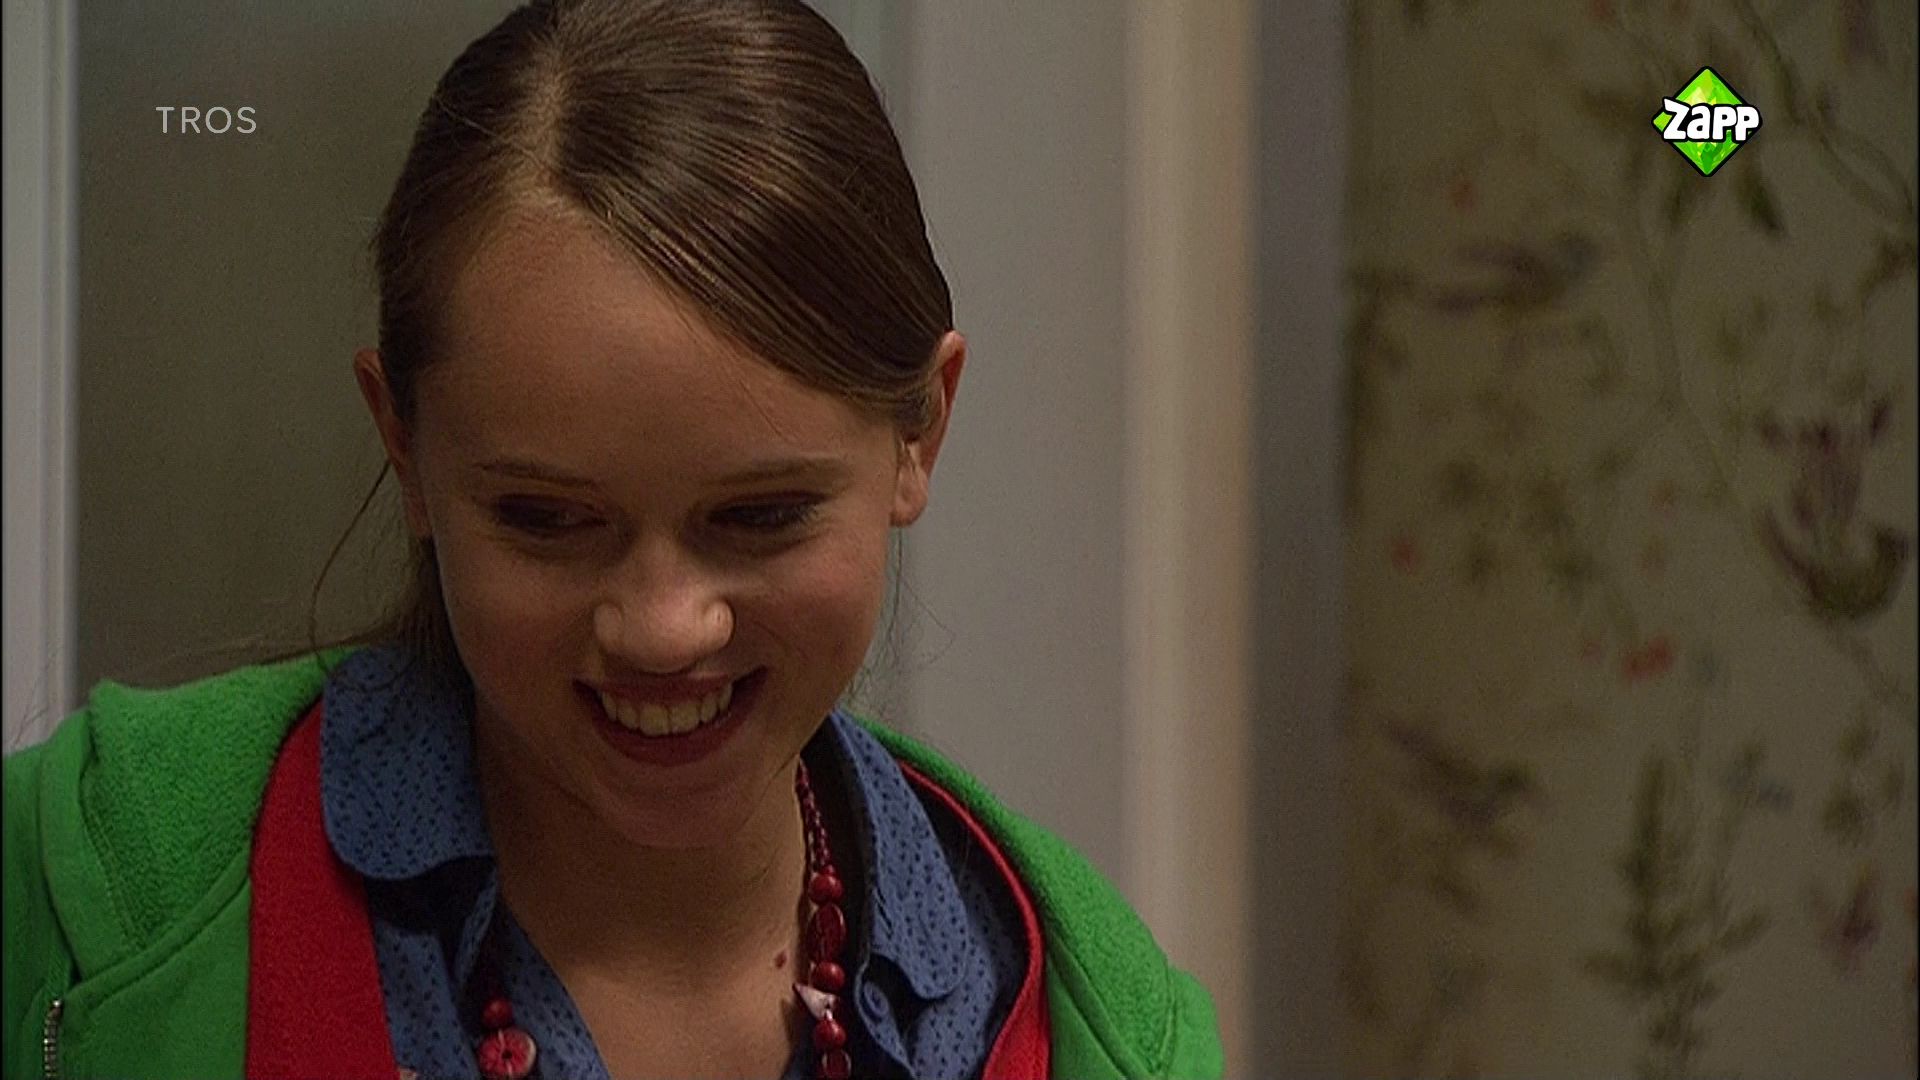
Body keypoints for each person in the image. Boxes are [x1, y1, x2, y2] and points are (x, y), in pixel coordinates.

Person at [2, 1, 1224, 1077]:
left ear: (921, 432)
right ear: (405, 446)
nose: (662, 626)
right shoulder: (93, 898)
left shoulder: (1086, 1025)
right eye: (547, 520)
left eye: (758, 516)